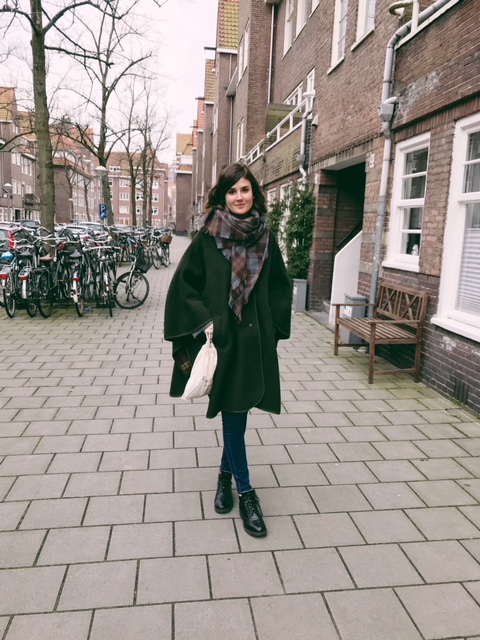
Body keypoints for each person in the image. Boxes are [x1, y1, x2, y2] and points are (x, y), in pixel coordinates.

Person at [164, 163, 292, 538]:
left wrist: (272, 328)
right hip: (224, 342)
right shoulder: (207, 237)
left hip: (253, 341)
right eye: (232, 191)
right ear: (222, 196)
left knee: (238, 410)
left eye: (245, 190)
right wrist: (205, 320)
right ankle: (246, 493)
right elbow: (184, 286)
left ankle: (224, 477)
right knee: (234, 414)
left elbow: (281, 285)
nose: (239, 197)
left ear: (254, 194)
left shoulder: (266, 236)